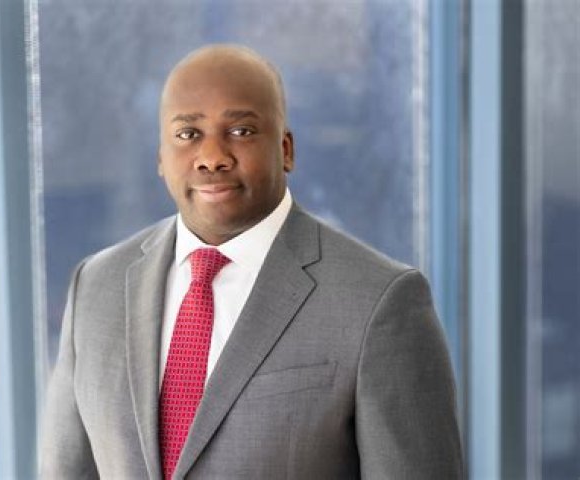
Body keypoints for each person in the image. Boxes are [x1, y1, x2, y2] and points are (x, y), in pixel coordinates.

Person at [40, 44, 463, 479]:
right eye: (188, 134)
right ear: (161, 158)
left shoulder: (379, 302)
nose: (212, 157)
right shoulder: (96, 286)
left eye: (241, 131)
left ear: (286, 149)